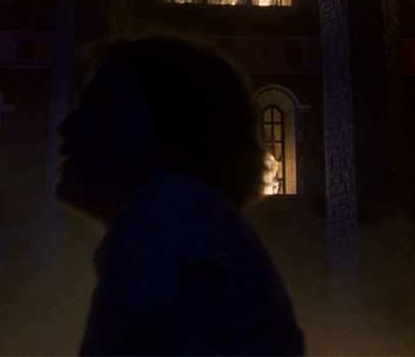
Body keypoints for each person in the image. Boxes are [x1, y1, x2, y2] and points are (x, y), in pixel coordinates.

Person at [56, 33, 304, 355]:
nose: (67, 125)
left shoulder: (169, 208)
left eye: (102, 106)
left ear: (170, 124)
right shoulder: (188, 219)